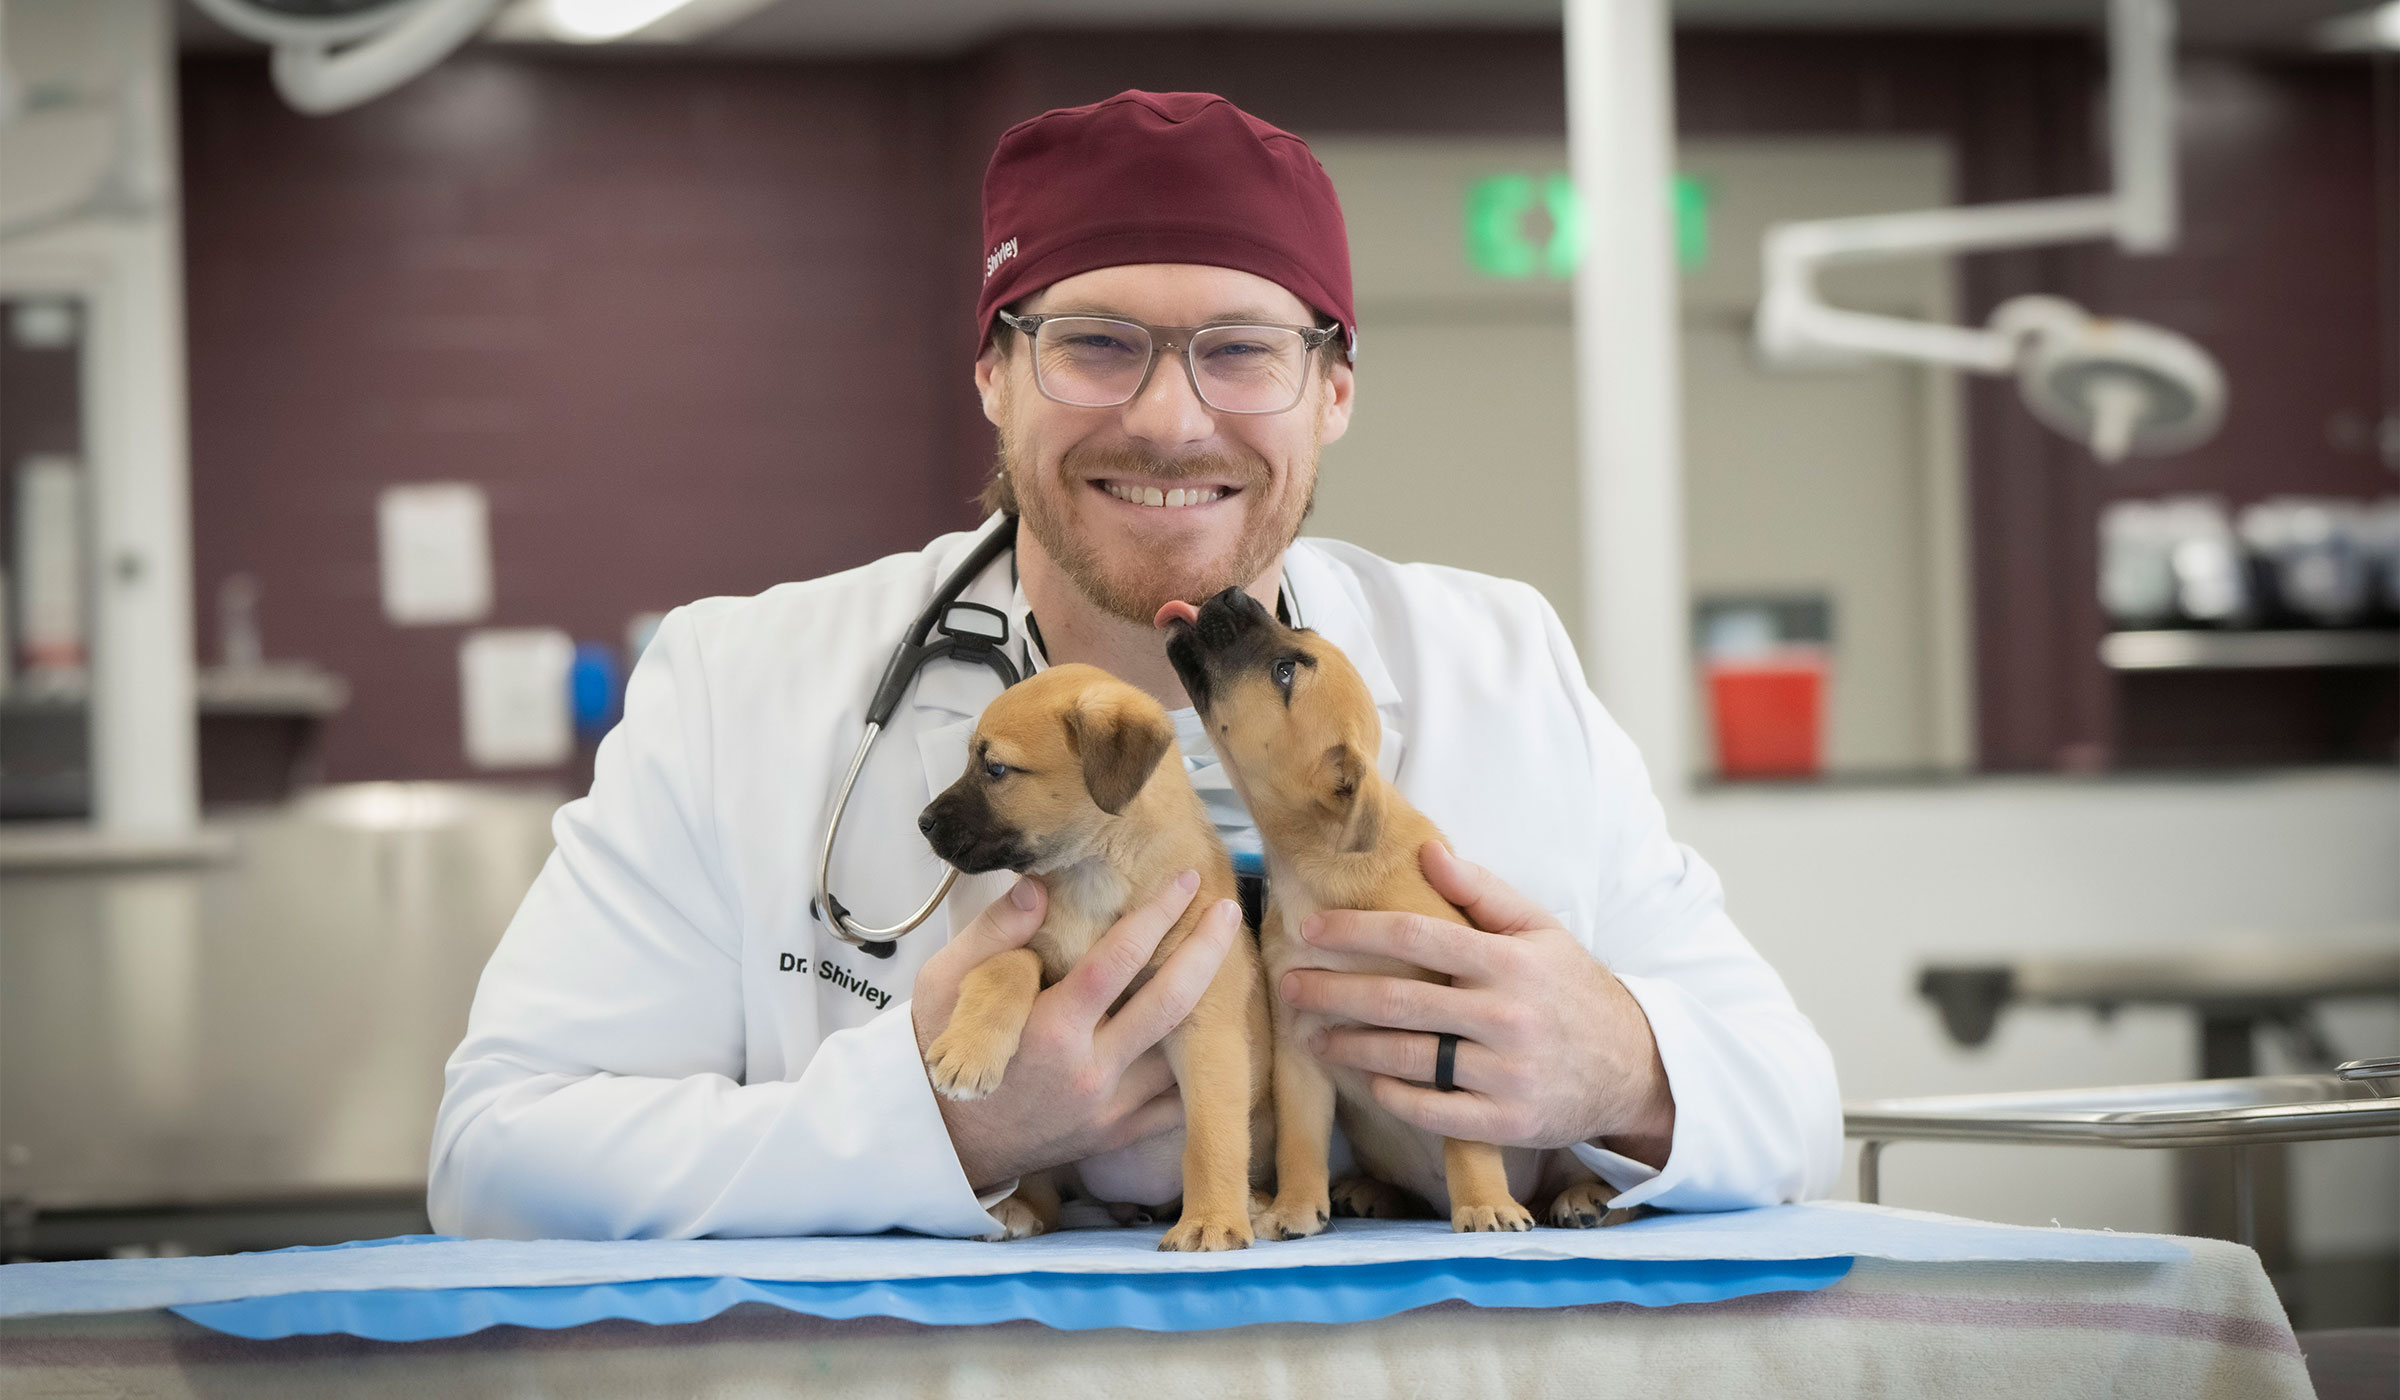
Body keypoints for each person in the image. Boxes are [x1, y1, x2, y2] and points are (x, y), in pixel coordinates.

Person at [428, 90, 1840, 1241]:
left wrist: (1625, 1072)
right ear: (993, 374)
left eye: (1242, 352)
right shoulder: (742, 687)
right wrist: (933, 1127)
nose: (1170, 420)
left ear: (1334, 392)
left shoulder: (1499, 663)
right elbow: (498, 1157)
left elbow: (1794, 1104)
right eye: (1094, 345)